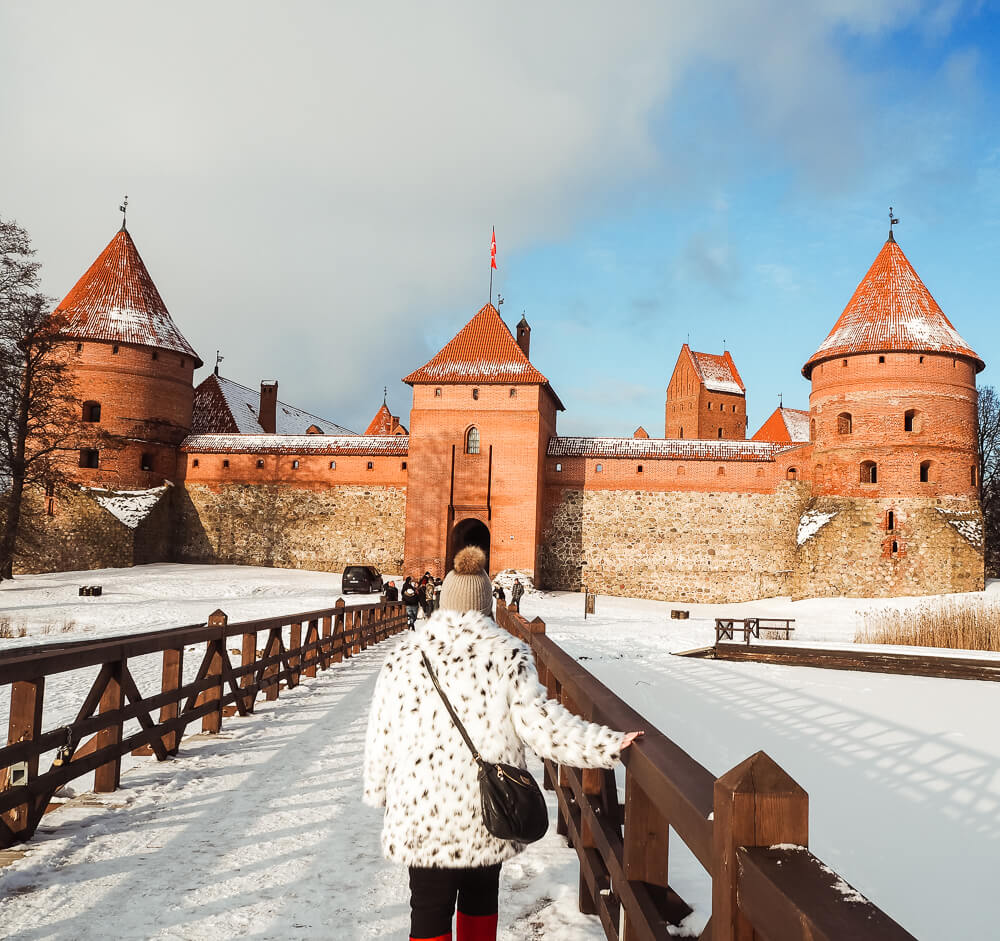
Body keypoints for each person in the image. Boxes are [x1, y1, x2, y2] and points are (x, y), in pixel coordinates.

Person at [363, 546, 642, 941]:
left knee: (426, 910)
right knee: (480, 906)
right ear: (486, 606)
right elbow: (546, 727)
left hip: (420, 813)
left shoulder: (404, 658)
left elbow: (381, 735)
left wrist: (379, 793)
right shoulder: (506, 656)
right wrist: (607, 744)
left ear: (444, 603)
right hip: (485, 809)